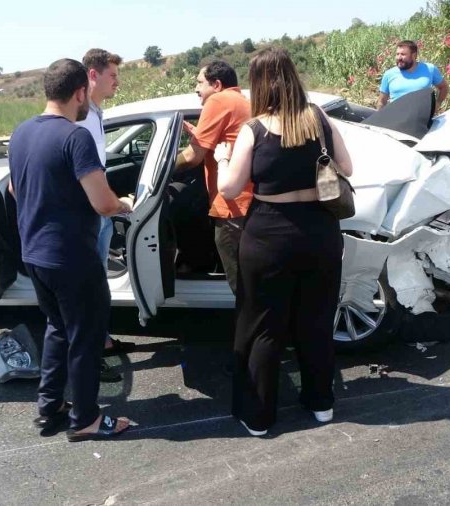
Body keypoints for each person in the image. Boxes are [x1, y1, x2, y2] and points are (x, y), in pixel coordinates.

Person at [215, 47, 353, 436]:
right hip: (320, 233)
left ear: (257, 83)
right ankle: (321, 404)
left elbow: (229, 189)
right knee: (315, 321)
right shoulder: (319, 119)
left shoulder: (253, 130)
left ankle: (259, 418)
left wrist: (223, 158)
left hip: (269, 236)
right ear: (293, 75)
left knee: (263, 327)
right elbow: (348, 168)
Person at [8, 58, 131, 442]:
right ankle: (86, 419)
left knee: (58, 329)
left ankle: (50, 410)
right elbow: (103, 203)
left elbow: (14, 189)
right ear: (80, 92)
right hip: (72, 257)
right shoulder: (75, 137)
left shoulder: (21, 132)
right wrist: (124, 202)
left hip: (35, 255)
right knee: (87, 336)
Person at [79, 48, 134, 381]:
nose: (118, 81)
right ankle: (91, 356)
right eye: (112, 75)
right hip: (88, 212)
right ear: (93, 75)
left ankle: (101, 340)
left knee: (98, 281)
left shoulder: (96, 112)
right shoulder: (81, 115)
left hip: (97, 212)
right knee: (89, 286)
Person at [175, 60, 252, 293]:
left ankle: (251, 327)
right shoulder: (240, 101)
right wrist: (200, 135)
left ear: (216, 84)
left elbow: (191, 157)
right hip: (249, 203)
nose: (196, 89)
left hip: (232, 207)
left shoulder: (218, 100)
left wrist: (162, 169)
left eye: (199, 83)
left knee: (243, 288)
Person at [377, 40, 449, 111]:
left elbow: (444, 87)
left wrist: (438, 104)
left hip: (421, 118)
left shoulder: (429, 69)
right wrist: (379, 118)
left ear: (414, 55)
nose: (399, 57)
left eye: (403, 54)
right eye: (397, 54)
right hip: (396, 117)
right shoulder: (389, 74)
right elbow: (382, 101)